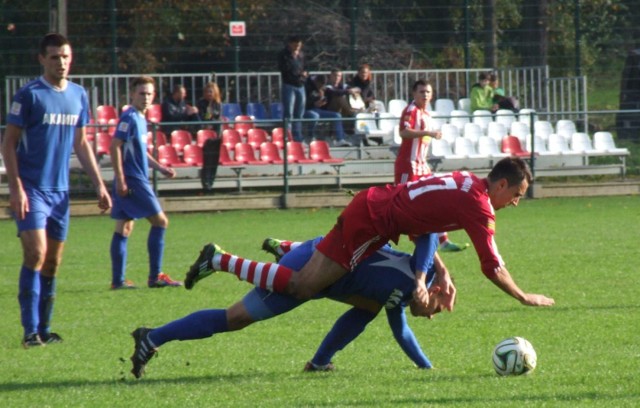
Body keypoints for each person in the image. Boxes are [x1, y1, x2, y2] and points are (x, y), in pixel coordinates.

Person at [186, 157, 555, 314]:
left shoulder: (464, 182)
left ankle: (276, 250)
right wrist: (523, 296)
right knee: (303, 287)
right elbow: (491, 265)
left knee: (322, 281)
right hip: (371, 224)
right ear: (502, 184)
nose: (517, 203)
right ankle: (219, 260)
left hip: (373, 209)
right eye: (517, 195)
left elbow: (421, 226)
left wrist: (436, 272)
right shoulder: (479, 207)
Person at [129, 233, 447, 378]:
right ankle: (154, 336)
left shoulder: (400, 299)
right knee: (235, 318)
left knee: (366, 310)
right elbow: (428, 234)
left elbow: (402, 334)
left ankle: (320, 362)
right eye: (438, 306)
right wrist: (438, 272)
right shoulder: (422, 271)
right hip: (313, 266)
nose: (432, 315)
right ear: (432, 288)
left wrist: (427, 368)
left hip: (320, 269)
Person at [1, 33, 112, 348]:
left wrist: (99, 184)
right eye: (54, 57)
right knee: (36, 253)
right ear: (41, 59)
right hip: (32, 189)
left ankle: (45, 329)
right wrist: (15, 188)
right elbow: (8, 143)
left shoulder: (78, 94)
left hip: (60, 193)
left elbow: (82, 142)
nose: (61, 62)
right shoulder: (29, 95)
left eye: (65, 56)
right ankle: (29, 332)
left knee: (53, 262)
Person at [109, 76, 182, 290]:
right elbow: (114, 146)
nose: (146, 97)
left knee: (124, 226)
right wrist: (121, 179)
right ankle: (155, 276)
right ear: (132, 94)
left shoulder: (141, 119)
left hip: (135, 177)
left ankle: (118, 281)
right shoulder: (129, 117)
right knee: (160, 222)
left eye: (149, 93)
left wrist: (160, 167)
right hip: (133, 180)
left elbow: (141, 152)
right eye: (142, 93)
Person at [396, 79, 468, 253]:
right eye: (421, 92)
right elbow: (403, 132)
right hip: (408, 166)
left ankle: (443, 241)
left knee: (435, 200)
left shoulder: (427, 115)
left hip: (422, 166)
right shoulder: (411, 110)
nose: (425, 95)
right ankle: (391, 237)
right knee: (401, 203)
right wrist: (428, 132)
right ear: (414, 94)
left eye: (428, 92)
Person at [303, 74, 351, 147]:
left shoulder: (324, 88)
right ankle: (311, 137)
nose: (321, 87)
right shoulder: (307, 86)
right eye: (320, 85)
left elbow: (334, 92)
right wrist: (313, 104)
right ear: (316, 82)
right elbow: (303, 103)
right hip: (307, 110)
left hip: (318, 110)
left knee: (336, 115)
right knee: (314, 116)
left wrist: (322, 99)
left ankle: (340, 139)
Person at [277, 35, 307, 142]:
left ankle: (297, 136)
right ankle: (287, 136)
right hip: (289, 85)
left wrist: (304, 74)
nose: (297, 47)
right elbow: (285, 69)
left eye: (299, 45)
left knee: (299, 112)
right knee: (288, 112)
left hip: (300, 86)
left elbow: (305, 67)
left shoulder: (301, 55)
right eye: (295, 44)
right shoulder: (284, 55)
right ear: (290, 44)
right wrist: (298, 74)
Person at [325, 68, 360, 136]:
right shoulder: (327, 86)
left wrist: (353, 90)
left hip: (341, 110)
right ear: (331, 76)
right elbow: (334, 92)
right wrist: (348, 91)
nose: (337, 78)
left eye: (339, 76)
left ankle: (355, 112)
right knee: (339, 98)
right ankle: (352, 113)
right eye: (335, 75)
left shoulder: (343, 85)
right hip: (329, 109)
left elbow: (358, 89)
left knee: (353, 96)